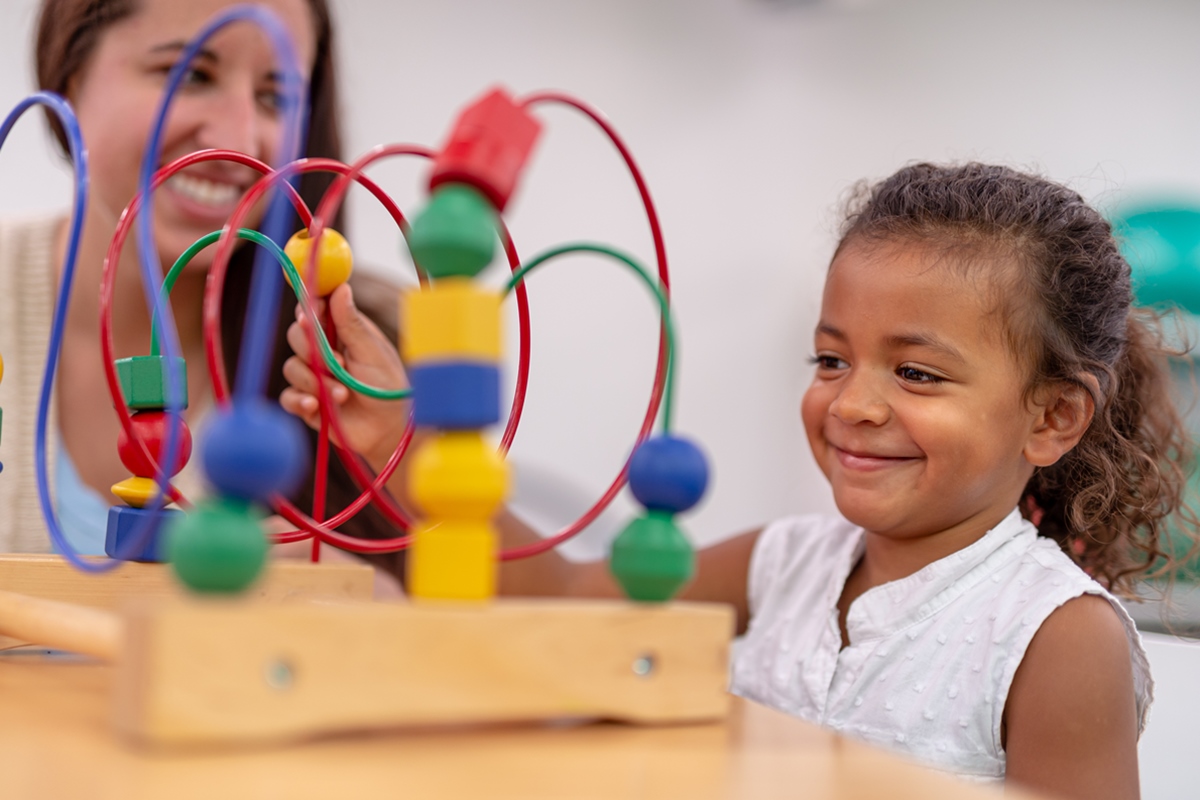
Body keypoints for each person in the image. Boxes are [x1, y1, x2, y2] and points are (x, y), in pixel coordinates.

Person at [281, 161, 1196, 798]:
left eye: (916, 373)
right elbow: (554, 594)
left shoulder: (1057, 636)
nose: (855, 404)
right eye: (831, 360)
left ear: (1051, 418)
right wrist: (401, 442)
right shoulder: (784, 562)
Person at [0, 0, 405, 581]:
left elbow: (555, 600)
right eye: (191, 75)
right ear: (70, 75)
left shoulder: (369, 357)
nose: (241, 139)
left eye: (275, 97)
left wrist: (378, 600)